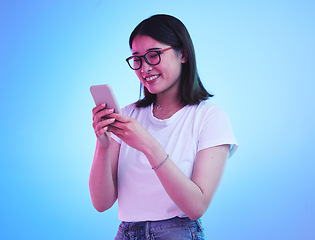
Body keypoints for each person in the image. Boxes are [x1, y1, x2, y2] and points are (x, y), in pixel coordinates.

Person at [89, 14, 238, 240]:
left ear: (183, 54)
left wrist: (148, 144)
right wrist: (103, 145)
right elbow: (101, 203)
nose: (144, 68)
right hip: (126, 232)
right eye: (137, 59)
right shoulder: (128, 115)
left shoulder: (210, 117)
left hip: (177, 233)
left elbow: (196, 206)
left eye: (153, 55)